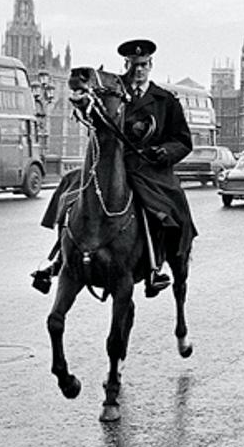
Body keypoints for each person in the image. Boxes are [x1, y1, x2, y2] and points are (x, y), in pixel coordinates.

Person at [30, 39, 198, 299]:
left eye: (143, 65)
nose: (138, 70)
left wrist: (164, 152)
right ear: (126, 64)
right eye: (133, 65)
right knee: (71, 187)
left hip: (148, 169)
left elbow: (183, 141)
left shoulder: (165, 101)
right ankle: (59, 257)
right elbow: (90, 102)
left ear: (150, 65)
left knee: (170, 208)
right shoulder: (113, 89)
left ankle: (157, 265)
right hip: (110, 163)